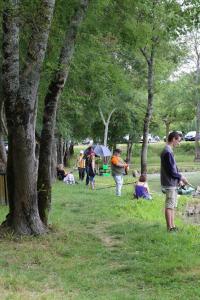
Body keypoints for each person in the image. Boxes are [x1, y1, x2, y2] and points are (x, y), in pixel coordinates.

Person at [160, 131, 188, 232]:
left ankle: (173, 226)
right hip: (169, 183)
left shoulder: (168, 150)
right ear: (173, 139)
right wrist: (181, 177)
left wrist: (178, 180)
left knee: (172, 206)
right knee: (169, 206)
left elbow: (173, 169)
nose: (178, 143)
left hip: (173, 183)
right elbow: (171, 171)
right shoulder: (167, 152)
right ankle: (169, 228)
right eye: (178, 141)